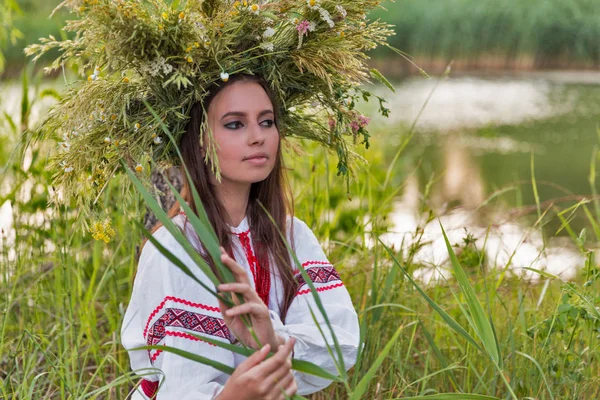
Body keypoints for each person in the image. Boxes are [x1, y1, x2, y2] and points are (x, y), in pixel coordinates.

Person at [121, 74, 361, 399]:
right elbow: (177, 386)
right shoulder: (175, 246)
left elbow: (340, 344)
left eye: (267, 121)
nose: (257, 137)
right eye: (235, 124)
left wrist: (270, 340)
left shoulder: (292, 235)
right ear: (201, 139)